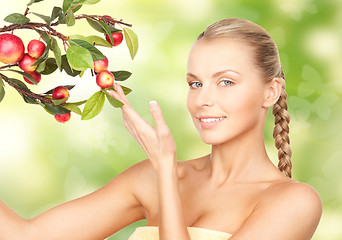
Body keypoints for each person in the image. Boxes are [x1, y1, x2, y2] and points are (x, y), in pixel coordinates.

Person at [0, 18, 322, 240]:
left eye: (226, 81)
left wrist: (166, 170)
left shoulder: (294, 202)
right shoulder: (150, 177)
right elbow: (26, 236)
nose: (202, 100)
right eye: (195, 83)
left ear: (271, 91)